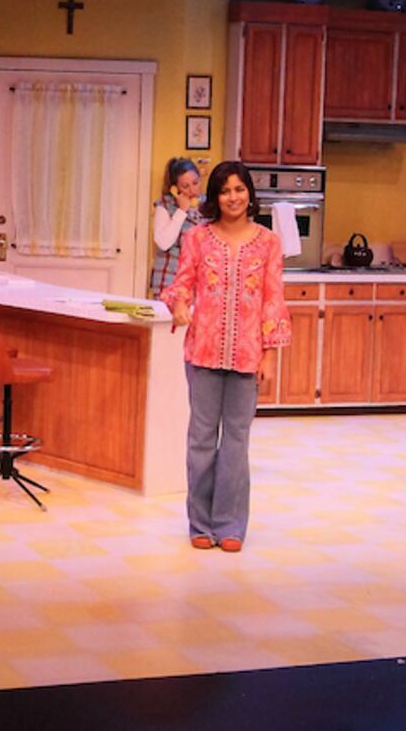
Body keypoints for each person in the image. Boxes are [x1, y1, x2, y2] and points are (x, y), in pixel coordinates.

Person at [161, 161, 291, 552]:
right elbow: (181, 283)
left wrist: (269, 356)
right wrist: (180, 305)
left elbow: (273, 300)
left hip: (248, 356)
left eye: (239, 189)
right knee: (201, 439)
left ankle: (231, 525)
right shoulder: (198, 238)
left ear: (250, 193)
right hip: (202, 352)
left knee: (236, 440)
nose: (233, 197)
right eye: (224, 191)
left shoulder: (268, 242)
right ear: (214, 197)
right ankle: (199, 524)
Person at [148, 156, 202, 298]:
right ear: (175, 188)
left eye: (195, 183)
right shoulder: (165, 206)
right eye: (185, 186)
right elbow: (163, 243)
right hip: (169, 279)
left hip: (196, 283)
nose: (192, 190)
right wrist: (181, 211)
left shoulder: (207, 207)